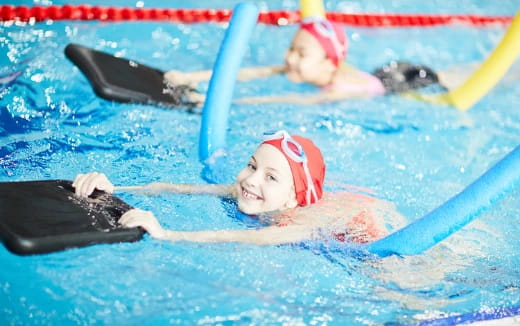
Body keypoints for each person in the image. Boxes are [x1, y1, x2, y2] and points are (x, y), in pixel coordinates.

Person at [73, 130, 406, 245]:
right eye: (252, 165)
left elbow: (247, 237)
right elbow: (178, 188)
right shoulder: (250, 190)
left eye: (270, 177)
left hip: (369, 233)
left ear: (292, 199)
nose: (251, 179)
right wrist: (117, 186)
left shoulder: (298, 223)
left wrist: (167, 234)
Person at [166, 17, 469, 105]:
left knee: (452, 80)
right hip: (382, 71)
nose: (290, 59)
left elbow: (280, 99)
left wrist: (212, 102)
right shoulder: (304, 68)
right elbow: (251, 72)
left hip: (402, 81)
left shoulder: (336, 90)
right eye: (292, 48)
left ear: (329, 65)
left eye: (302, 54)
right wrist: (192, 77)